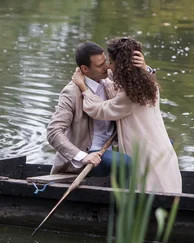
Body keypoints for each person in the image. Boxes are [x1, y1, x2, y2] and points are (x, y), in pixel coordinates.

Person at [71, 37, 182, 194]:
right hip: (162, 151)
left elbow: (98, 110)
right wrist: (146, 68)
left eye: (111, 62)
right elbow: (113, 80)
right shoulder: (149, 83)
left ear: (121, 66)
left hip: (146, 157)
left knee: (147, 196)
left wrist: (83, 86)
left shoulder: (129, 95)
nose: (109, 67)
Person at [46, 41, 150, 177]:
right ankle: (123, 198)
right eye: (100, 65)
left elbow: (138, 81)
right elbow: (53, 132)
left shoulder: (109, 77)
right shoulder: (71, 93)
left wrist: (145, 68)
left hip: (113, 146)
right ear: (84, 69)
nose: (107, 67)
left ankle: (146, 190)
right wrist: (83, 156)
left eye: (106, 62)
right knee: (124, 163)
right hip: (90, 154)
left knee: (162, 146)